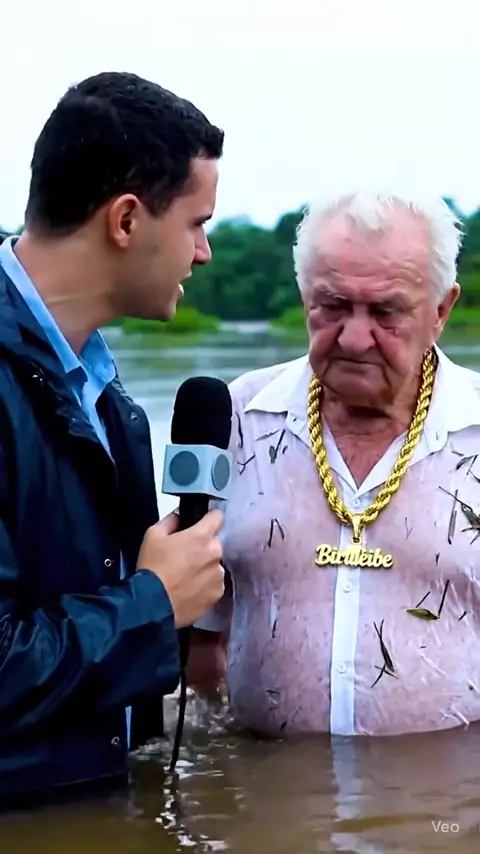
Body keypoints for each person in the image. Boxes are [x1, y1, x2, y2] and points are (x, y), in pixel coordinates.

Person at [0, 71, 226, 802]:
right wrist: (153, 604)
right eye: (196, 223)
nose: (204, 252)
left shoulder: (105, 395)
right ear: (126, 221)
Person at [188, 188, 480, 738]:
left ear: (441, 310)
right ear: (305, 297)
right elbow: (200, 643)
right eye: (333, 305)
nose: (355, 338)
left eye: (386, 312)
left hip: (452, 790)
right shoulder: (236, 418)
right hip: (266, 786)